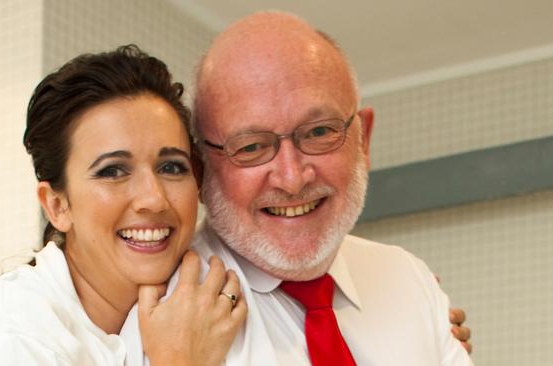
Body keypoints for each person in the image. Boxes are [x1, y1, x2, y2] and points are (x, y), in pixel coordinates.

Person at [0, 45, 247, 366]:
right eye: (113, 171)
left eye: (172, 167)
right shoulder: (14, 342)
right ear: (57, 206)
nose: (154, 199)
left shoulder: (189, 314)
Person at [181, 11, 474, 365]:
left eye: (319, 132)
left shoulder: (410, 280)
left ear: (363, 140)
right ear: (201, 168)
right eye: (251, 147)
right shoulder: (164, 310)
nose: (292, 178)